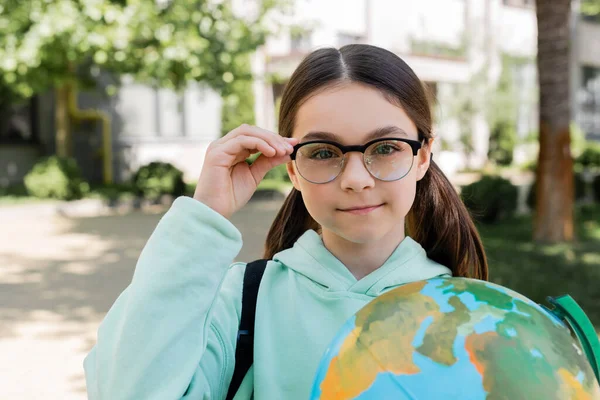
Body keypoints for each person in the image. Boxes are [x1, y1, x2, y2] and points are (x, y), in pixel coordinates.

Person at [83, 44, 488, 400]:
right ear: (291, 169)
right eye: (323, 152)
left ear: (422, 156)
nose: (356, 180)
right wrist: (204, 215)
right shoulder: (239, 303)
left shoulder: (475, 315)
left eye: (385, 148)